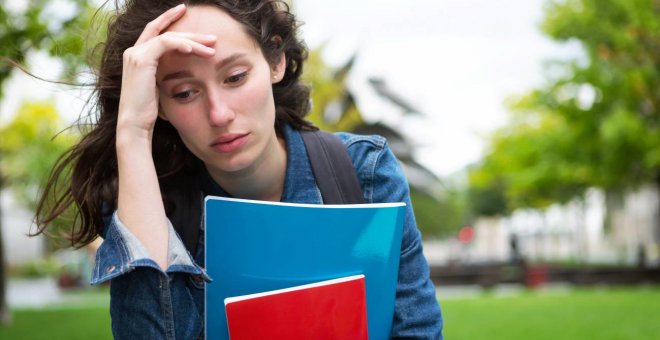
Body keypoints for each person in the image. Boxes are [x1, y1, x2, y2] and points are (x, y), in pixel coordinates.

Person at [34, 0, 443, 338]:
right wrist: (133, 133)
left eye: (235, 76)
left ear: (276, 61)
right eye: (184, 92)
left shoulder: (364, 172)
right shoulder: (147, 205)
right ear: (158, 104)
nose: (219, 113)